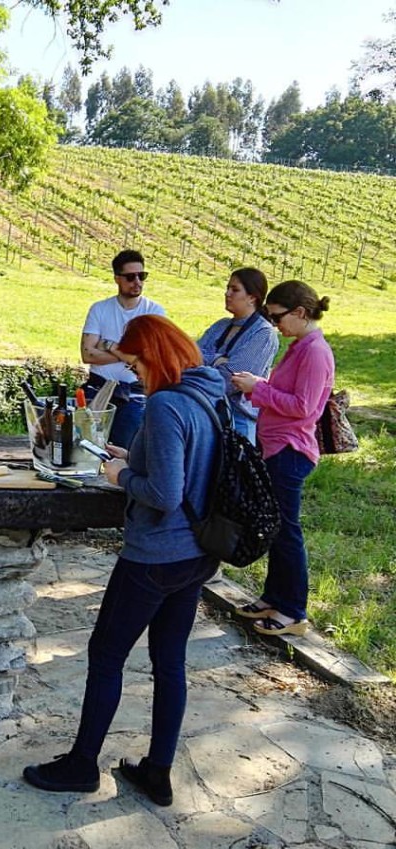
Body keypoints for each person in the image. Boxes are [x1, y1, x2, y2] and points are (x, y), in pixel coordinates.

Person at [24, 314, 224, 807]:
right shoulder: (209, 394)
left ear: (155, 356)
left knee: (106, 655)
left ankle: (81, 765)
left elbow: (164, 491)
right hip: (199, 554)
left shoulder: (165, 405)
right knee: (169, 661)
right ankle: (158, 771)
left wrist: (118, 475)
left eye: (135, 364)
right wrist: (130, 456)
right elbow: (184, 464)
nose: (132, 374)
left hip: (156, 556)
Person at [230, 280, 334, 636]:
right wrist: (261, 386)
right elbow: (286, 393)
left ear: (300, 313)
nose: (274, 325)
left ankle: (293, 611)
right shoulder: (300, 345)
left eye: (276, 317)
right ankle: (274, 596)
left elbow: (304, 408)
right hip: (275, 447)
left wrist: (257, 388)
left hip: (290, 452)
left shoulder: (315, 352)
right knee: (275, 527)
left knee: (287, 532)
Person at [80, 249, 166, 449]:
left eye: (141, 276)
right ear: (117, 279)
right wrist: (131, 355)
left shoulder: (154, 312)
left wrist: (110, 346)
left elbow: (149, 358)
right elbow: (87, 354)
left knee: (127, 453)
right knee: (87, 448)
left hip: (135, 394)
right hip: (98, 389)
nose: (137, 281)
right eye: (130, 277)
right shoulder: (99, 309)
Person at [196, 268, 279, 442]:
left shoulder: (263, 333)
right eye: (227, 288)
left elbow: (231, 380)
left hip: (237, 420)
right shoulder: (220, 325)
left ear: (252, 297)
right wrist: (218, 360)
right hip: (204, 412)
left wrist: (205, 362)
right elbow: (188, 357)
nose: (227, 294)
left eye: (234, 289)